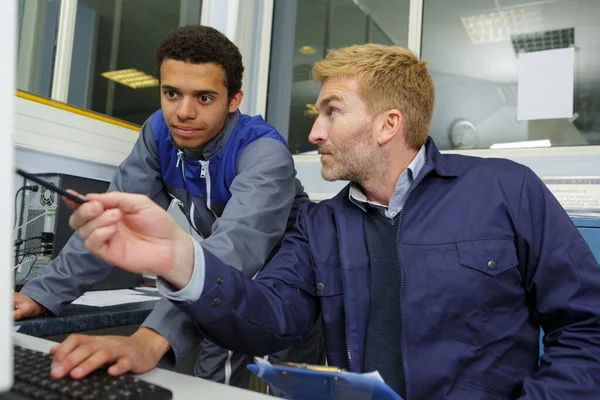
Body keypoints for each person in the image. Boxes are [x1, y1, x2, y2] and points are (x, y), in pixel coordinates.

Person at [52, 43, 600, 399]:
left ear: (388, 124)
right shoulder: (318, 225)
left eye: (331, 112)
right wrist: (180, 261)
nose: (314, 134)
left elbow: (587, 327)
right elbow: (270, 318)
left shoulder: (506, 189)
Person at [14, 25, 324, 389]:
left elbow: (234, 247)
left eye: (204, 98)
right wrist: (40, 293)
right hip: (221, 274)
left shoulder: (263, 152)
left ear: (234, 100)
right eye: (171, 93)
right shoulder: (159, 132)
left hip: (289, 278)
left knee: (291, 383)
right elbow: (111, 223)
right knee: (212, 369)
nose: (183, 112)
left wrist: (149, 339)